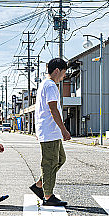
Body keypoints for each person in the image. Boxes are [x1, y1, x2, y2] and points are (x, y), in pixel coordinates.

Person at [29, 58, 70, 207]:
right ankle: (48, 195)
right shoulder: (51, 85)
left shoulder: (44, 85)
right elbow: (53, 108)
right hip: (50, 131)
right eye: (64, 73)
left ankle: (40, 184)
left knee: (60, 159)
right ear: (57, 70)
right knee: (50, 162)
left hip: (50, 131)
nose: (64, 76)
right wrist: (64, 130)